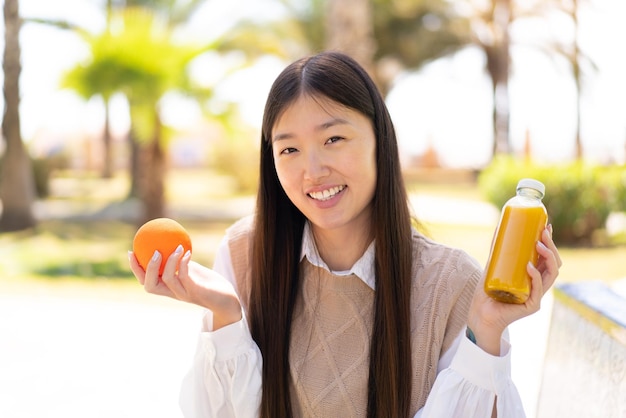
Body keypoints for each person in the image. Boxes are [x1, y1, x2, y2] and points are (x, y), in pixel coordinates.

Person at [128, 51, 562, 418]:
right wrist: (225, 314)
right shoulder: (244, 254)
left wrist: (485, 330)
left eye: (333, 138)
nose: (312, 171)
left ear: (380, 140)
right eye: (289, 149)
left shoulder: (453, 284)